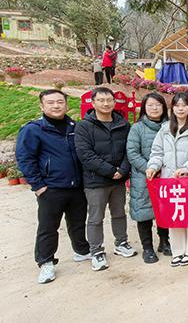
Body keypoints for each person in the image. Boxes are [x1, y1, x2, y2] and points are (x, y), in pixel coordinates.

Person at [15, 89, 91, 284]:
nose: (56, 106)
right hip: (51, 188)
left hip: (77, 186)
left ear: (66, 104)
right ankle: (46, 262)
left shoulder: (75, 127)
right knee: (48, 227)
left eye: (60, 102)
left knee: (78, 222)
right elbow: (25, 159)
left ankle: (82, 250)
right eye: (50, 102)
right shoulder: (33, 129)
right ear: (42, 106)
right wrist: (38, 185)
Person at [74, 87, 135, 272]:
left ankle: (121, 242)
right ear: (93, 103)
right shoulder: (84, 126)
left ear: (114, 102)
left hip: (118, 180)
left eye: (109, 100)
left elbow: (129, 149)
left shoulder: (123, 124)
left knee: (119, 213)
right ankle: (96, 251)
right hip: (96, 181)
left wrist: (123, 170)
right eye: (101, 100)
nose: (106, 104)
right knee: (95, 218)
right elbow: (85, 155)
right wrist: (110, 171)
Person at [146, 92, 188, 267]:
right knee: (175, 214)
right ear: (172, 108)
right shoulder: (165, 128)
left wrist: (187, 168)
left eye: (184, 105)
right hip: (169, 180)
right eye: (177, 105)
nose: (180, 109)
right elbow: (157, 152)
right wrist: (153, 166)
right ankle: (178, 251)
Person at [126, 92, 170, 264]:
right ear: (144, 107)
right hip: (143, 177)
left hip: (165, 176)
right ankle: (147, 248)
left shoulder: (170, 126)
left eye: (158, 105)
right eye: (150, 105)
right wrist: (150, 169)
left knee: (164, 210)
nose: (154, 108)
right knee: (143, 212)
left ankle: (164, 241)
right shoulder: (137, 128)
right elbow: (132, 153)